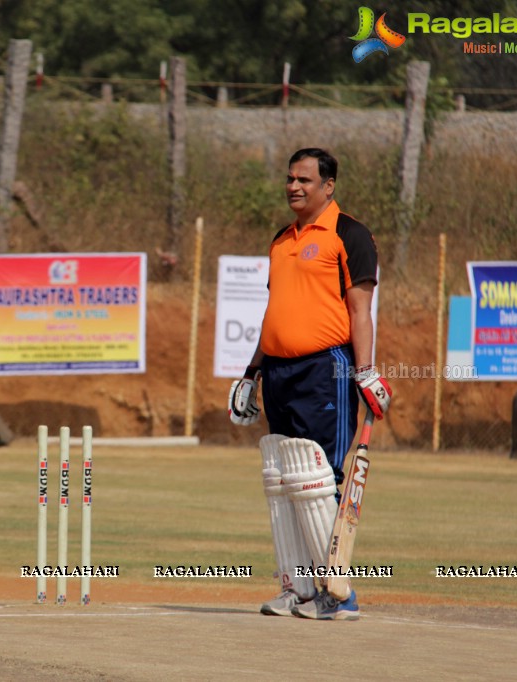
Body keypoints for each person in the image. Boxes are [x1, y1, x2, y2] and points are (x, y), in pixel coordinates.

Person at [228, 148, 391, 621]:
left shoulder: (350, 235)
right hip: (278, 370)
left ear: (328, 185)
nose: (294, 186)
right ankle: (298, 588)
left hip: (326, 369)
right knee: (283, 479)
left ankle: (339, 596)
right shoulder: (282, 239)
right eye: (289, 179)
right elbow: (274, 312)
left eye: (304, 179)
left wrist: (365, 371)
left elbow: (360, 310)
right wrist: (251, 371)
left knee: (318, 478)